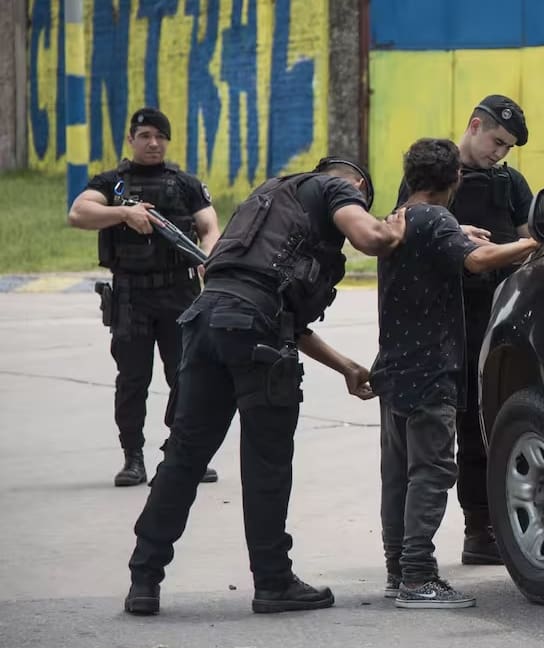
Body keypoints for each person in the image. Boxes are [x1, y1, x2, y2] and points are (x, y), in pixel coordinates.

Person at [122, 156, 407, 616]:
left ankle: (144, 578)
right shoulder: (337, 188)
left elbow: (274, 309)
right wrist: (395, 228)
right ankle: (273, 581)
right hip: (253, 331)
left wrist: (346, 367)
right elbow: (371, 239)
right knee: (266, 462)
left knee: (184, 456)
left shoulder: (268, 196)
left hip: (206, 320)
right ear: (355, 185)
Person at [374, 138, 540, 608]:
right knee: (430, 474)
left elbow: (446, 246)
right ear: (455, 179)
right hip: (431, 371)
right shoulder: (436, 219)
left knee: (398, 477)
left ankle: (398, 571)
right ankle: (419, 578)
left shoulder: (398, 220)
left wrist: (459, 232)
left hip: (394, 368)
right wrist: (532, 242)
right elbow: (477, 260)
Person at [68, 108, 221, 487]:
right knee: (132, 379)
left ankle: (184, 455)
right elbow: (79, 213)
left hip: (179, 293)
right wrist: (123, 214)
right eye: (145, 136)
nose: (153, 143)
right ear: (131, 139)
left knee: (186, 377)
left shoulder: (185, 184)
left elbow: (209, 227)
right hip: (131, 295)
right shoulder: (112, 183)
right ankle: (132, 458)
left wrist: (209, 257)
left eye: (160, 137)